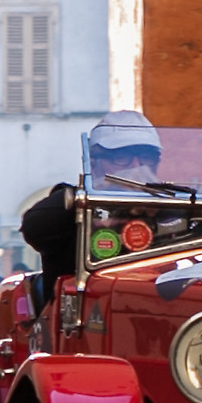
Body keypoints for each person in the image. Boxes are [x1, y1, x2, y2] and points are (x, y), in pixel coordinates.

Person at [20, 110, 163, 298]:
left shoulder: (171, 206)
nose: (137, 167)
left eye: (146, 157)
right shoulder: (76, 204)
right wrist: (106, 192)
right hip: (83, 309)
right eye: (121, 158)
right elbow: (34, 227)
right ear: (94, 164)